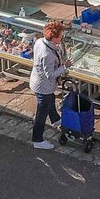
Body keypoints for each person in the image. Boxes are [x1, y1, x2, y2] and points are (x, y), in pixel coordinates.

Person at [29, 20, 69, 150]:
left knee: (50, 100)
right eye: (60, 37)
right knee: (42, 113)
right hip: (43, 85)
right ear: (54, 38)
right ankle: (37, 139)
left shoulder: (40, 41)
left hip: (39, 82)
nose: (62, 38)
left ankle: (56, 119)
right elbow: (50, 75)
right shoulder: (47, 54)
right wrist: (64, 67)